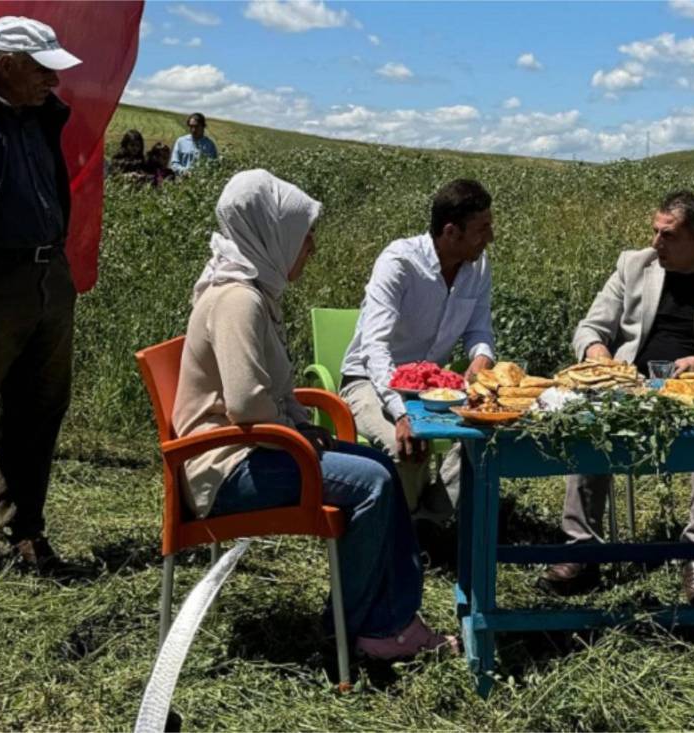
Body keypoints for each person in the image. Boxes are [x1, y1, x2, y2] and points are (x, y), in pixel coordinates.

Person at [172, 169, 454, 658]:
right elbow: (247, 405)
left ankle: (388, 618)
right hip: (225, 470)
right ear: (270, 232)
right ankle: (356, 628)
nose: (312, 247)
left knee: (383, 466)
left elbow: (269, 397)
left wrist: (302, 428)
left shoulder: (251, 290)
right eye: (304, 235)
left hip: (252, 449)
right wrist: (303, 437)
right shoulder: (239, 301)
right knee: (373, 483)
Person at [540, 190, 694, 601]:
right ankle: (581, 549)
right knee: (585, 427)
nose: (656, 243)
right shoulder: (634, 266)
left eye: (668, 236)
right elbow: (589, 327)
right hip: (629, 384)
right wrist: (598, 352)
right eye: (654, 232)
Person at [0, 16, 83, 585]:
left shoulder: (39, 116)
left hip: (48, 277)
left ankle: (24, 531)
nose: (54, 83)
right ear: (6, 63)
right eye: (42, 69)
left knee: (39, 409)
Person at [339, 179, 495, 528]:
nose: (490, 237)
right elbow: (374, 347)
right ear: (451, 232)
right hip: (368, 380)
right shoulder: (399, 262)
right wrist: (399, 413)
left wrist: (482, 356)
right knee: (404, 447)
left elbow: (479, 328)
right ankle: (401, 529)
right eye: (482, 229)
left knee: (482, 435)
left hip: (430, 387)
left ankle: (431, 522)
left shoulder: (478, 267)